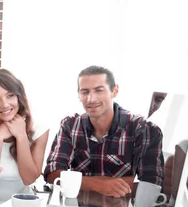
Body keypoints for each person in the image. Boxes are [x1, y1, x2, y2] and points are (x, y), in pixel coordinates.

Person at [44, 65, 164, 198]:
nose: (91, 99)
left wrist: (75, 181)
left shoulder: (144, 130)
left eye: (99, 90)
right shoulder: (70, 125)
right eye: (85, 92)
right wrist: (98, 184)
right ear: (78, 95)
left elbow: (151, 185)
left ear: (115, 90)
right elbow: (52, 174)